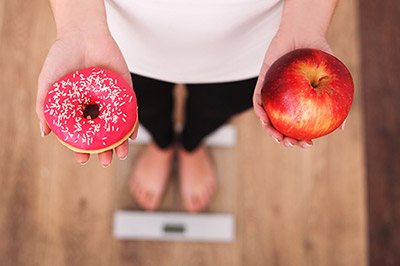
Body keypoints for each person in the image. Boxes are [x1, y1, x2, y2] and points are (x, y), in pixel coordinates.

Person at [36, 0, 343, 212]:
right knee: (144, 108)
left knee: (216, 108)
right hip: (113, 40)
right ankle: (162, 143)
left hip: (257, 45)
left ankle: (192, 145)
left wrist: (306, 25)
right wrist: (77, 26)